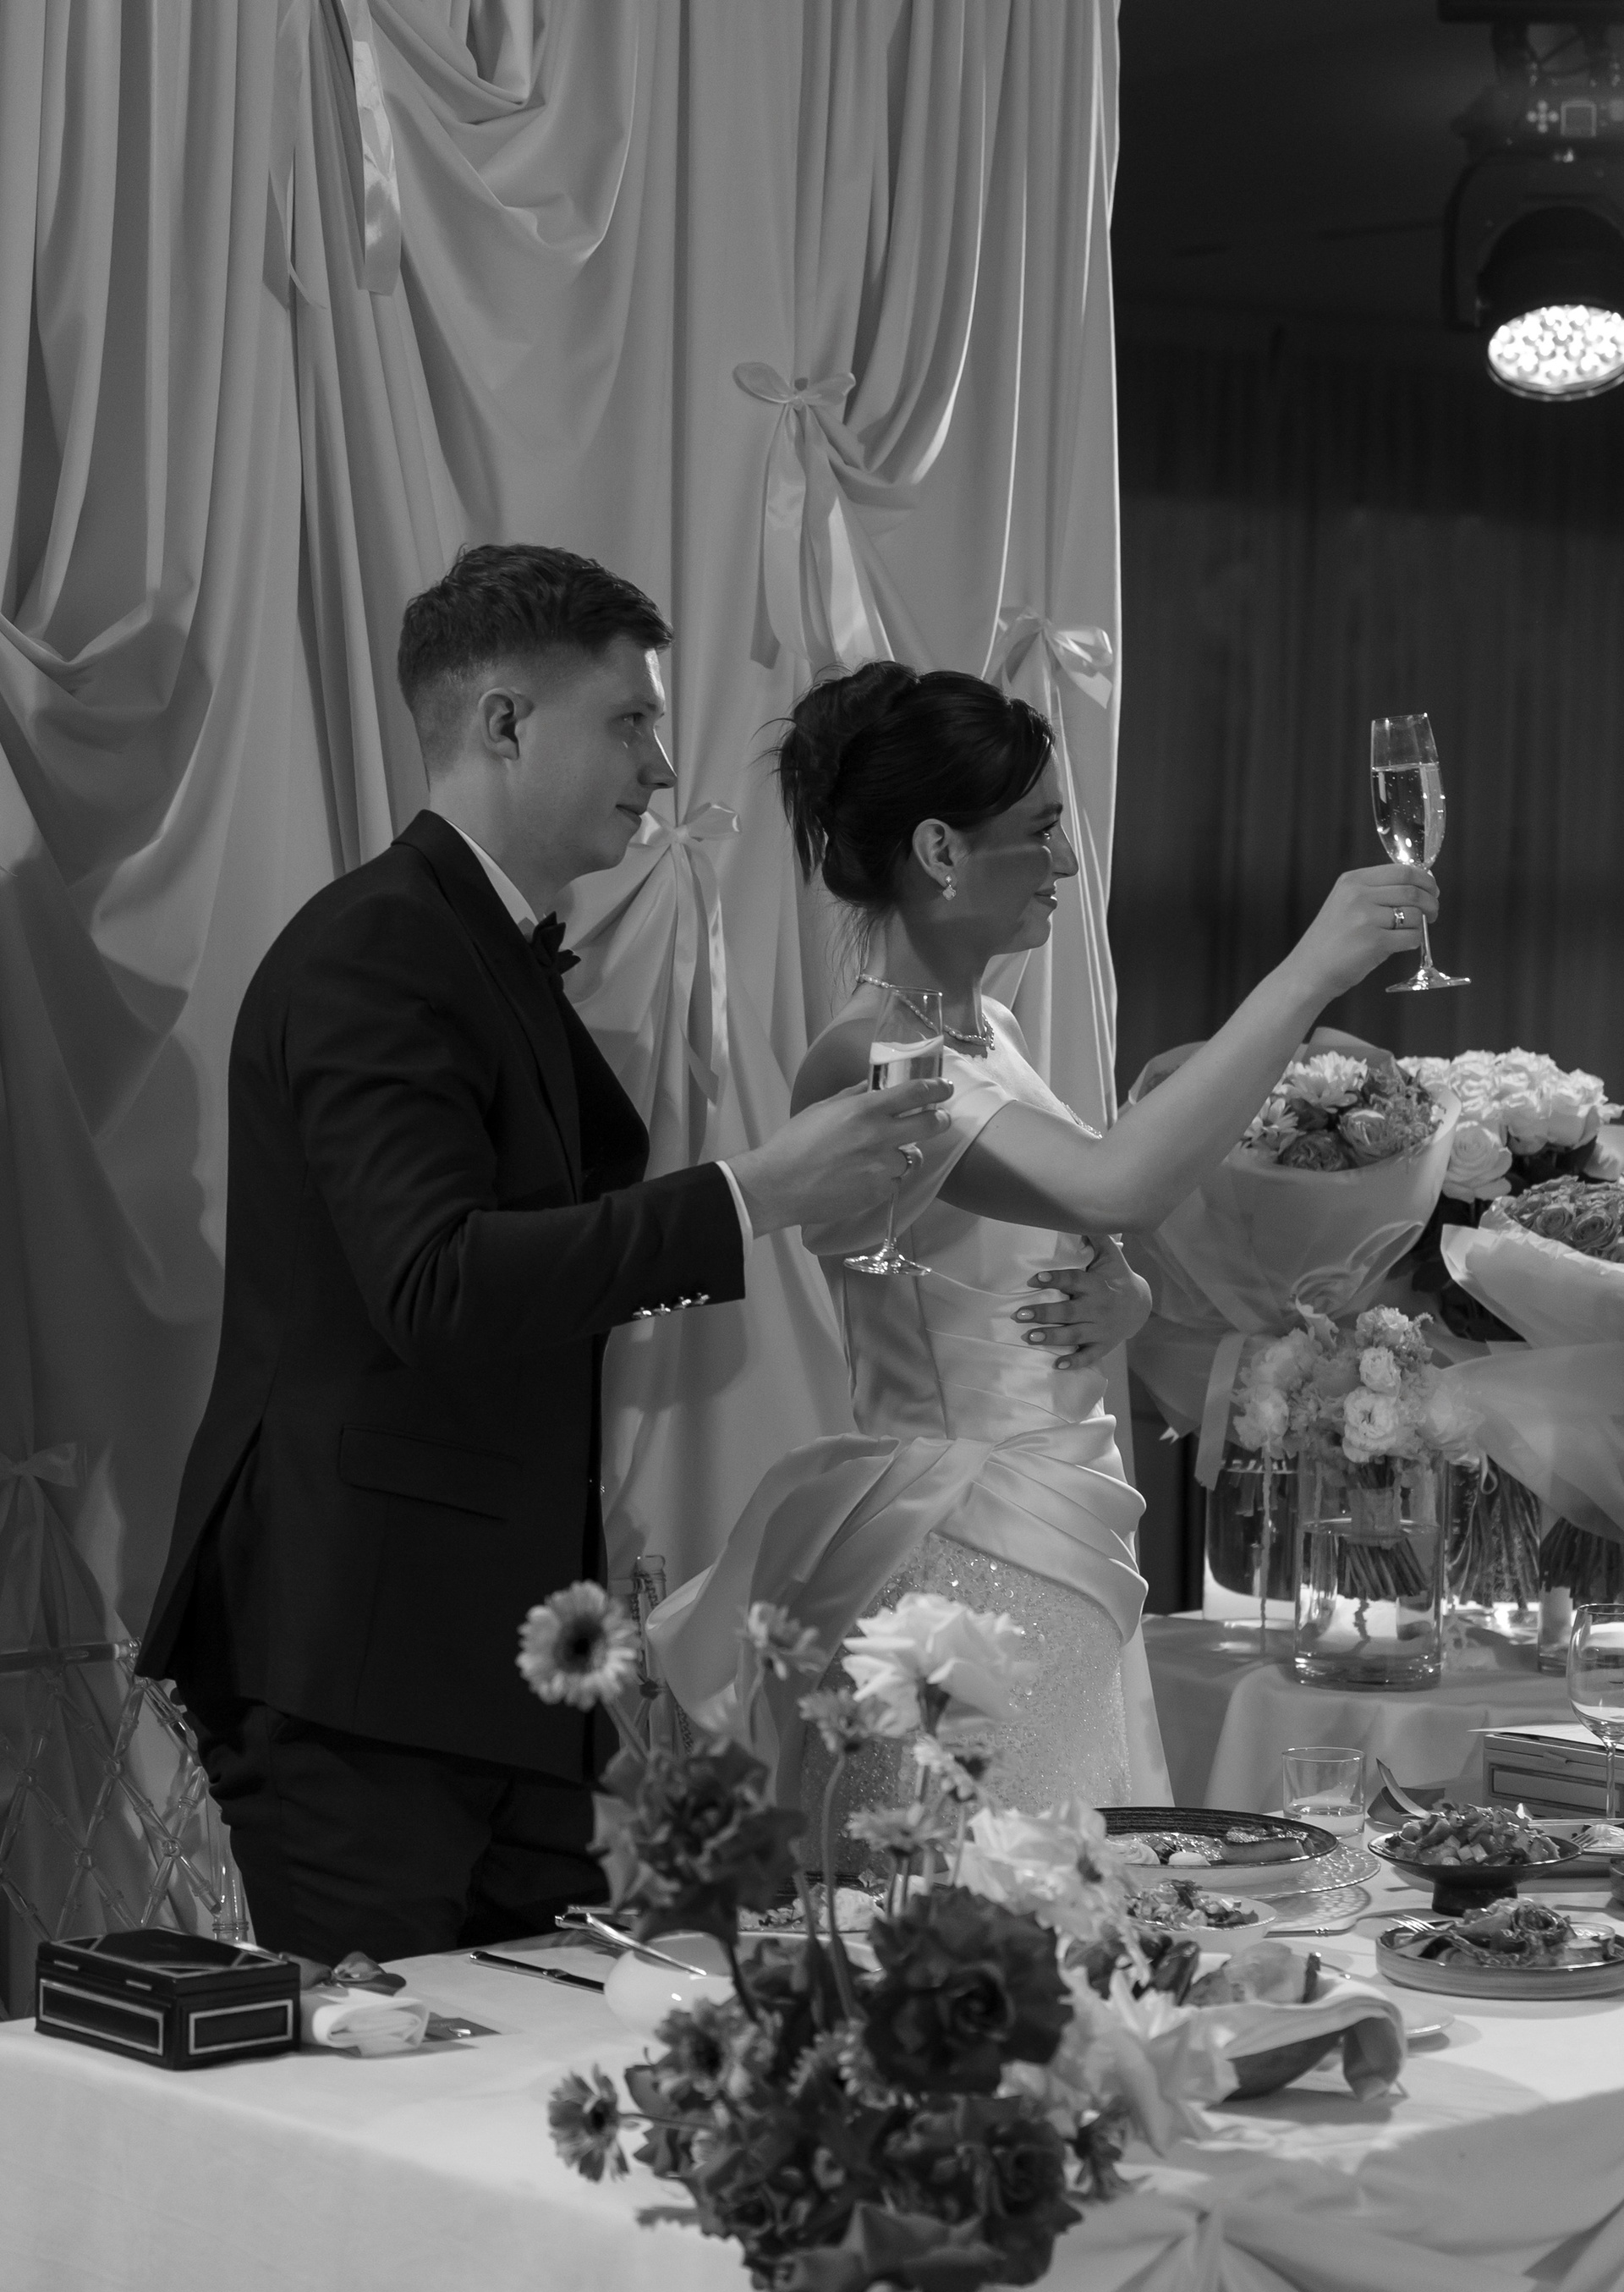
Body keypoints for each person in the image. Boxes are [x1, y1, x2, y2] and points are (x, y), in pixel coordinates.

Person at [137, 548, 960, 1965]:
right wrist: (753, 1193)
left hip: (482, 1660)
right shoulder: (375, 950)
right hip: (359, 1656)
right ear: (506, 723)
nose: (661, 764)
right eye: (630, 720)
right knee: (395, 2075)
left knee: (535, 2059)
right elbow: (437, 1284)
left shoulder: (476, 944)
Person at [652, 661, 1439, 1820]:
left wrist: (1123, 1292)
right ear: (939, 850)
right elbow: (1116, 1185)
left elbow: (1045, 1229)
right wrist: (1309, 971)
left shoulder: (993, 1032)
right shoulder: (879, 1057)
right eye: (1040, 830)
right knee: (995, 1875)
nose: (1067, 862)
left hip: (1062, 1524)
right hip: (970, 1548)